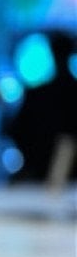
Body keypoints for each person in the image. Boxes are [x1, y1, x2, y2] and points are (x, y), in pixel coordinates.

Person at [7, 31, 76, 185]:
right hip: (43, 172)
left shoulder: (38, 94)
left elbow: (17, 130)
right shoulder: (37, 94)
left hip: (39, 171)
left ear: (52, 53)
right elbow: (18, 130)